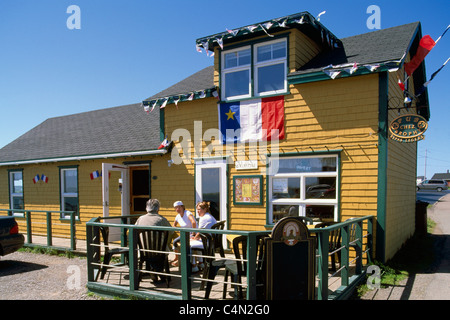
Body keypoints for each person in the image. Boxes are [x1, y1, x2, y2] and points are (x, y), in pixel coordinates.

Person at [135, 199, 172, 283]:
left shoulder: (140, 219)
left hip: (144, 250)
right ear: (158, 208)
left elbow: (133, 231)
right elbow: (171, 231)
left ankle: (153, 270)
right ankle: (159, 272)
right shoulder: (161, 219)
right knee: (163, 250)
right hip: (159, 251)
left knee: (150, 249)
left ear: (146, 208)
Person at [190, 201, 217, 272]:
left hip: (207, 242)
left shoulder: (204, 218)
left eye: (199, 209)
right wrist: (196, 237)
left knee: (188, 244)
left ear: (205, 209)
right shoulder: (210, 216)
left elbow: (199, 232)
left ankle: (194, 266)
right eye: (197, 210)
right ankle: (201, 263)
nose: (198, 211)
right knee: (195, 241)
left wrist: (194, 238)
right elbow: (203, 232)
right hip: (210, 240)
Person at [171, 201, 197, 267]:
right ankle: (177, 258)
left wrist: (193, 234)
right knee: (174, 242)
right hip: (184, 235)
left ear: (183, 207)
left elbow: (193, 222)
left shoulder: (188, 213)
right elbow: (174, 225)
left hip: (192, 234)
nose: (177, 209)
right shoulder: (178, 216)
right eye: (176, 208)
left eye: (179, 207)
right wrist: (178, 230)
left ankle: (191, 263)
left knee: (187, 246)